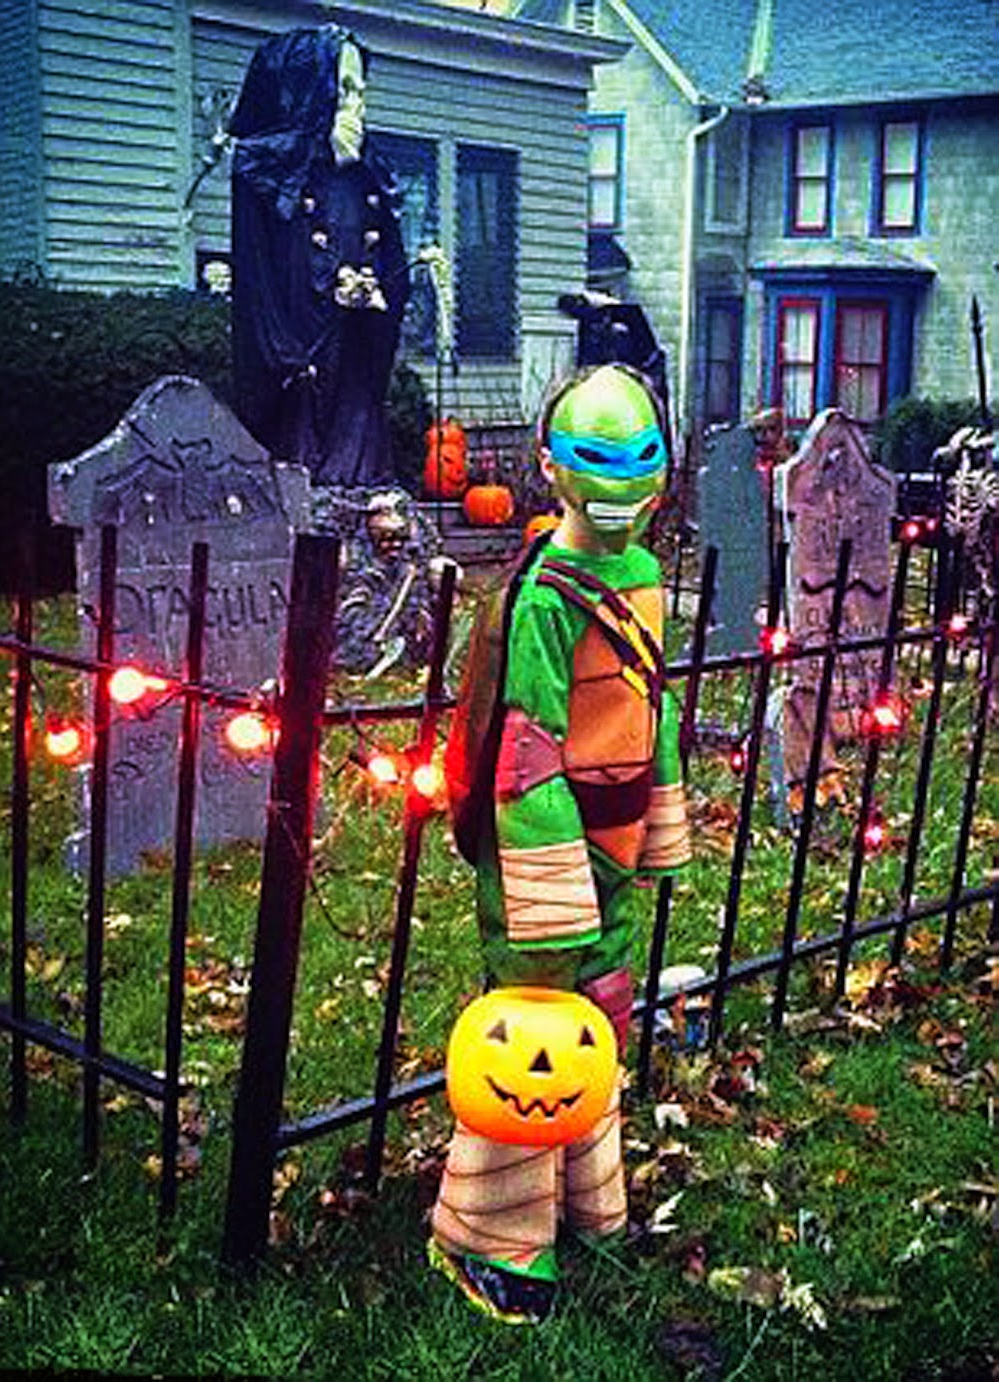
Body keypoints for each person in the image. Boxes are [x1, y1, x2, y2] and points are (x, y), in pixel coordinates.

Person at [430, 363, 692, 1323]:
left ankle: (588, 1196)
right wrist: (549, 886)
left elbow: (647, 703)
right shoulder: (544, 597)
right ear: (550, 465)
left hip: (612, 837)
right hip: (548, 847)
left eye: (639, 457)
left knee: (602, 1005)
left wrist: (656, 817)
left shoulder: (642, 576)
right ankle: (489, 1234)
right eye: (596, 458)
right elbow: (527, 743)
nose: (619, 482)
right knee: (532, 1028)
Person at [229, 24, 409, 487]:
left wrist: (375, 292)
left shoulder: (369, 174)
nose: (357, 108)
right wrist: (295, 344)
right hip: (301, 377)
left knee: (362, 481)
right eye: (344, 91)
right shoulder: (265, 173)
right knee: (300, 484)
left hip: (354, 375)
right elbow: (260, 288)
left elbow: (390, 262)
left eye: (361, 94)